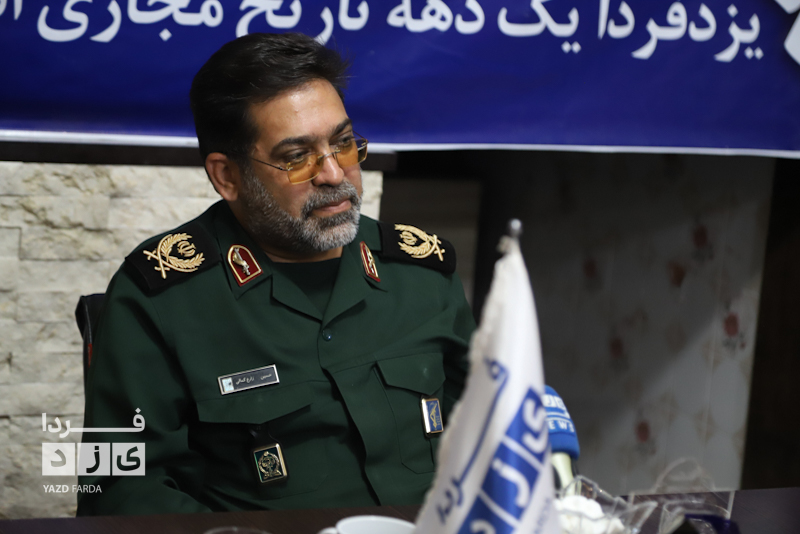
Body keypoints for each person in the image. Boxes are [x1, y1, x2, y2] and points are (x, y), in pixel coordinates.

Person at [77, 32, 475, 516]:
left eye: (343, 144)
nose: (334, 174)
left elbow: (489, 430)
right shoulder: (160, 297)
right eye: (296, 157)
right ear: (227, 176)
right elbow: (118, 491)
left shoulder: (421, 273)